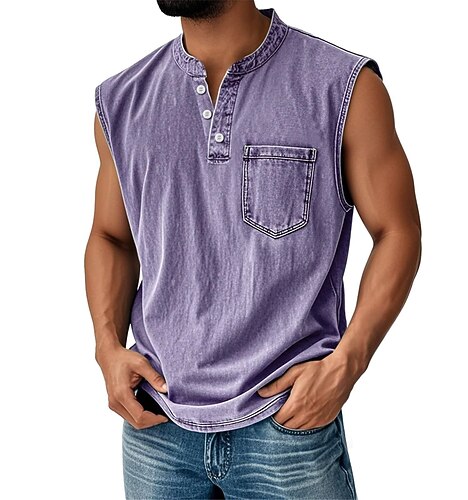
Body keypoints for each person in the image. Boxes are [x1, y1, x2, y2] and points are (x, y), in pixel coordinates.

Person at [84, 1, 422, 498]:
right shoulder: (122, 100)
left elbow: (398, 231)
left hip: (286, 423)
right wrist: (107, 349)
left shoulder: (343, 86)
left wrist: (348, 362)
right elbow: (110, 236)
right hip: (156, 424)